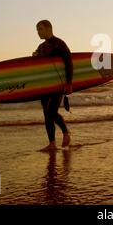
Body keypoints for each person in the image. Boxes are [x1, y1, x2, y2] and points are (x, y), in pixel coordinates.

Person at [33, 20, 73, 151]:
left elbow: (68, 63)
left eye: (40, 29)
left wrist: (69, 82)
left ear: (49, 28)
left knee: (51, 112)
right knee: (46, 113)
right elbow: (40, 66)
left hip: (58, 84)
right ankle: (52, 143)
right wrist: (35, 57)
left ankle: (66, 133)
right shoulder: (41, 47)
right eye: (37, 29)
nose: (38, 32)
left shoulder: (59, 44)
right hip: (45, 85)